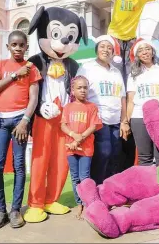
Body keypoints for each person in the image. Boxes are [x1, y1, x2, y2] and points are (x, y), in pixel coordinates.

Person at [0, 30, 41, 229]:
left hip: (20, 120)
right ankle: (1, 211)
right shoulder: (0, 65)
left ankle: (15, 210)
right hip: (1, 121)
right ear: (8, 46)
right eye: (14, 45)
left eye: (22, 45)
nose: (18, 48)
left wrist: (25, 120)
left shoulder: (31, 68)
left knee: (19, 165)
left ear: (27, 47)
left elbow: (33, 97)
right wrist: (15, 76)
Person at [76, 35, 129, 185]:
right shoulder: (87, 68)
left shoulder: (116, 72)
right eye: (102, 46)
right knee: (103, 153)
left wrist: (124, 121)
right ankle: (96, 188)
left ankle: (109, 191)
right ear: (97, 49)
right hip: (97, 120)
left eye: (109, 48)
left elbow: (123, 98)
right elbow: (77, 93)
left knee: (115, 155)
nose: (106, 50)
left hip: (116, 121)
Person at [126, 39, 159, 166]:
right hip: (139, 117)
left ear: (152, 51)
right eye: (140, 50)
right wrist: (126, 122)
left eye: (147, 49)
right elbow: (130, 101)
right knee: (144, 158)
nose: (144, 52)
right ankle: (147, 186)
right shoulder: (133, 75)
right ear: (137, 55)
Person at [60, 76, 102, 219]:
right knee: (75, 177)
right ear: (72, 90)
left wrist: (79, 139)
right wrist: (72, 134)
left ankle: (87, 203)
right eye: (79, 88)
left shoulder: (92, 107)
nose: (83, 90)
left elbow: (93, 126)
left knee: (85, 177)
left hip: (86, 149)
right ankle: (79, 204)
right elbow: (63, 125)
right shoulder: (67, 107)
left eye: (85, 87)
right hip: (70, 149)